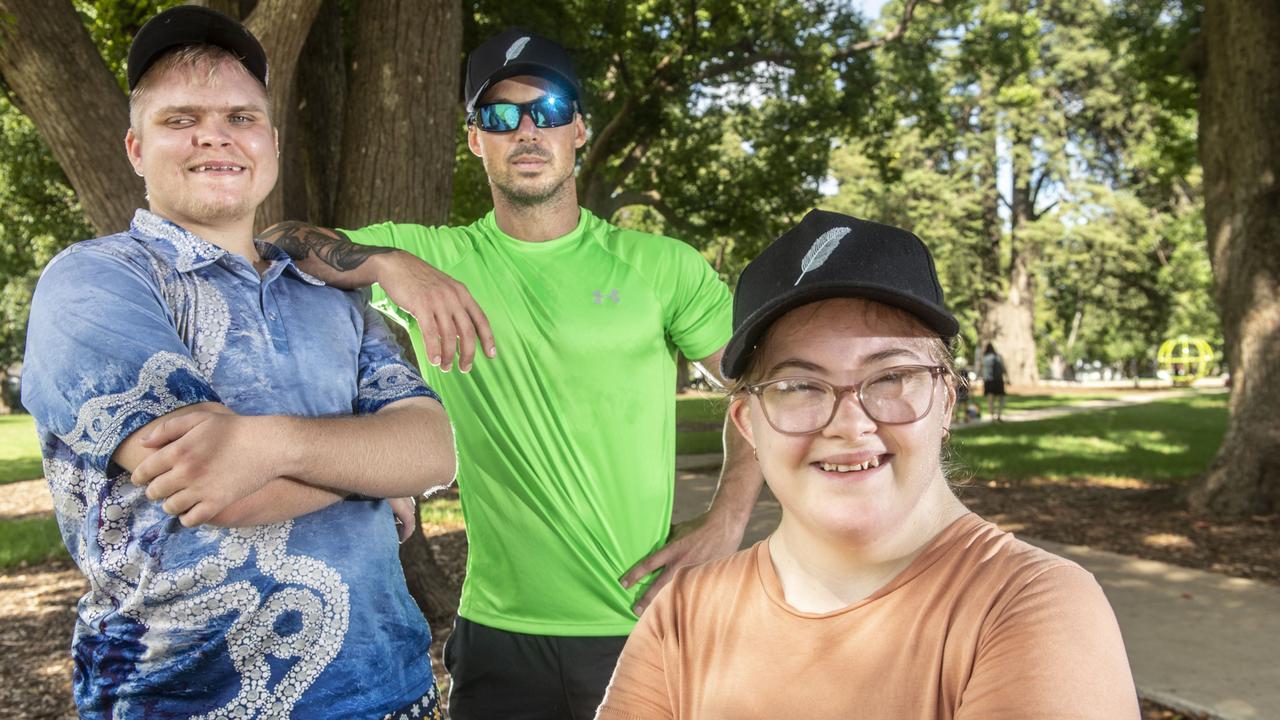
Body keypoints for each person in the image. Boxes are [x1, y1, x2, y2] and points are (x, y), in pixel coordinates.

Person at [256, 28, 762, 719]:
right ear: (474, 140)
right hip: (497, 633)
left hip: (640, 623)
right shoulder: (433, 256)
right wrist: (391, 266)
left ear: (578, 128)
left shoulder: (660, 266)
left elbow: (765, 391)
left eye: (547, 108)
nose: (526, 129)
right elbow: (276, 241)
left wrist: (728, 520)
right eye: (499, 116)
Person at [21, 7, 454, 718]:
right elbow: (212, 486)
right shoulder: (95, 281)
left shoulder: (330, 296)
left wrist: (272, 444)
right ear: (135, 148)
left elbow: (434, 451)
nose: (215, 135)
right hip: (183, 702)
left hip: (393, 690)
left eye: (241, 118)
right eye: (180, 119)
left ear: (274, 143)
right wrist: (376, 477)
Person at [596, 210, 1140, 719]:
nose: (849, 423)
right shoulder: (684, 616)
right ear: (747, 424)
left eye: (890, 377)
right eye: (799, 385)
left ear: (946, 400)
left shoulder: (1030, 608)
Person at [982, 342, 1009, 420]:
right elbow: (1003, 368)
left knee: (990, 399)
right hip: (998, 380)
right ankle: (999, 414)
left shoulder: (985, 358)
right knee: (1001, 397)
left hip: (988, 381)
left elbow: (982, 369)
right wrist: (1007, 378)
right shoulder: (998, 357)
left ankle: (992, 416)